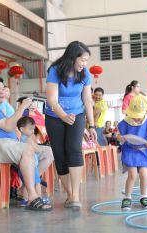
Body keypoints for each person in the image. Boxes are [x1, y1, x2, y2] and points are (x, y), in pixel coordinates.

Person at [0, 76, 53, 211]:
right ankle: (32, 197)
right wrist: (22, 106)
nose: (2, 92)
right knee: (26, 150)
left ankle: (24, 188)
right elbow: (8, 126)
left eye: (3, 89)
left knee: (48, 153)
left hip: (7, 144)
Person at [45, 41, 97, 210]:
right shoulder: (55, 70)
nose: (84, 63)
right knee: (60, 155)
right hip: (55, 116)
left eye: (87, 60)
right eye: (82, 60)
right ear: (73, 57)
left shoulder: (85, 74)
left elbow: (87, 100)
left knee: (74, 149)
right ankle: (69, 193)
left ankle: (75, 195)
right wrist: (63, 116)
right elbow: (52, 99)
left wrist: (92, 126)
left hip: (77, 115)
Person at [117, 95, 147, 210]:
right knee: (132, 174)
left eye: (139, 116)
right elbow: (118, 135)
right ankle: (127, 197)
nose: (137, 119)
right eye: (134, 116)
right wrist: (121, 138)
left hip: (144, 151)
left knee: (144, 174)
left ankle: (143, 197)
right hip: (130, 151)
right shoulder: (124, 123)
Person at [17, 116, 52, 206]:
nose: (33, 131)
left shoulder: (21, 139)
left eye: (33, 129)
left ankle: (25, 200)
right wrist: (41, 149)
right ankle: (38, 197)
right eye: (30, 129)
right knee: (37, 182)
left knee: (26, 183)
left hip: (22, 166)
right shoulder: (28, 139)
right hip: (32, 166)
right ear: (22, 129)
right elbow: (36, 148)